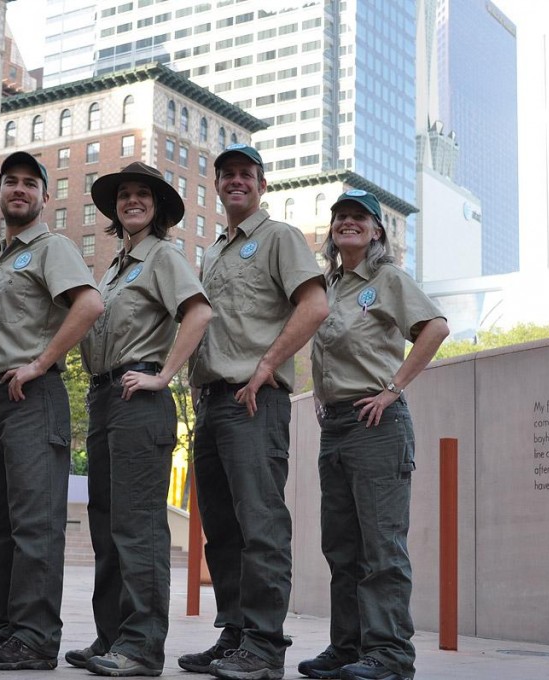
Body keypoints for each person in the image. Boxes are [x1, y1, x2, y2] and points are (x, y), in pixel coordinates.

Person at [182, 144, 329, 680]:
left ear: (262, 185)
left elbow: (314, 305)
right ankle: (236, 633)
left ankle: (265, 646)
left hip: (252, 401)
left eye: (247, 174)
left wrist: (268, 365)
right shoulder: (214, 251)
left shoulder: (280, 238)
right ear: (217, 185)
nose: (236, 182)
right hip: (211, 403)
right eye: (228, 175)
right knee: (221, 528)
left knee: (259, 523)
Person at [0, 151, 103, 671]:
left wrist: (40, 363)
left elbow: (89, 304)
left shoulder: (51, 246)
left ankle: (37, 637)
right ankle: (9, 630)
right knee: (4, 525)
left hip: (32, 402)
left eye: (28, 184)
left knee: (36, 524)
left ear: (44, 197)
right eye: (9, 183)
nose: (18, 190)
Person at [65, 162, 212, 677]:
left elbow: (198, 313)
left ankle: (143, 646)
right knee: (106, 527)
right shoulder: (112, 269)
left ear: (157, 207)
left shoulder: (164, 256)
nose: (131, 201)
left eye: (141, 195)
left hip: (139, 398)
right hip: (106, 400)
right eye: (123, 194)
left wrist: (164, 375)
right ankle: (111, 637)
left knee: (138, 528)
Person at [297, 190, 449, 680]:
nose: (348, 223)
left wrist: (392, 388)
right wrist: (321, 393)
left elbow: (436, 328)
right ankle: (347, 648)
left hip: (378, 423)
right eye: (340, 217)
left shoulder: (386, 279)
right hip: (337, 425)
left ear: (377, 231)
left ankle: (389, 654)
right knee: (341, 545)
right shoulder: (327, 285)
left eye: (359, 217)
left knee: (381, 546)